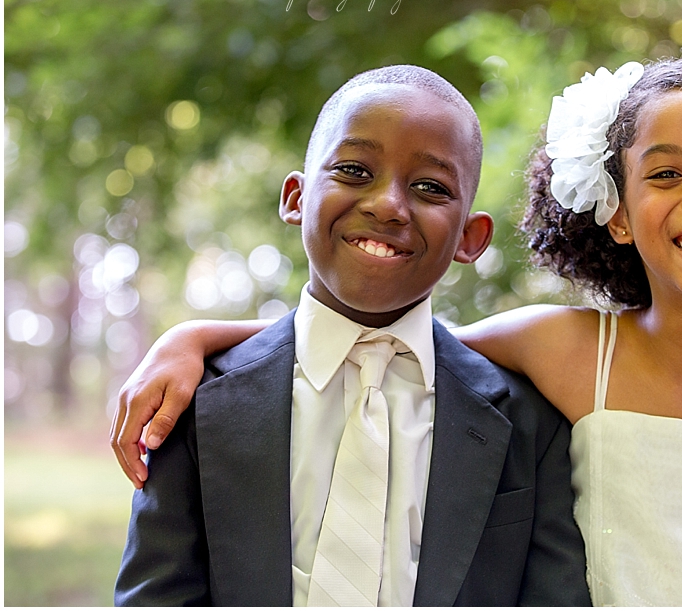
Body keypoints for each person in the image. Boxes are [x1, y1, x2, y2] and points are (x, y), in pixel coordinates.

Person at [113, 47, 682, 606]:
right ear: (615, 214)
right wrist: (201, 339)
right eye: (664, 173)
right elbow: (370, 334)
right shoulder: (564, 347)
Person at [113, 65, 590, 606]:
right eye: (354, 170)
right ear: (296, 197)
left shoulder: (533, 422)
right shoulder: (195, 402)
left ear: (470, 237)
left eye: (430, 187)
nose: (388, 204)